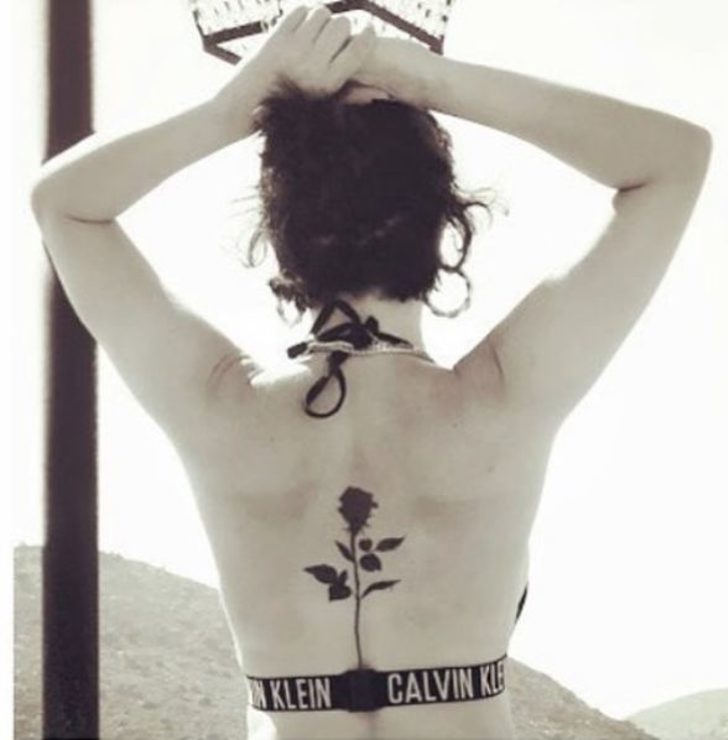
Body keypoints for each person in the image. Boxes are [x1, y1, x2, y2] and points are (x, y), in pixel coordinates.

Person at [30, 4, 711, 739]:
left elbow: (65, 206)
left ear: (280, 238)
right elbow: (673, 160)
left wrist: (243, 100)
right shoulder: (503, 394)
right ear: (445, 222)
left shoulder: (219, 405)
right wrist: (421, 76)